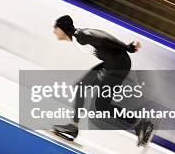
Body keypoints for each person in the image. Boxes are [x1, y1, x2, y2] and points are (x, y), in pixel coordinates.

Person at [52, 15, 154, 146]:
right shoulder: (78, 38)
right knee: (82, 87)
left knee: (101, 105)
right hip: (111, 64)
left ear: (62, 28)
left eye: (56, 27)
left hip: (118, 65)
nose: (54, 31)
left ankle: (141, 123)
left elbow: (104, 37)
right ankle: (73, 127)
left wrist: (127, 47)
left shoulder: (81, 35)